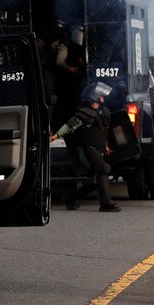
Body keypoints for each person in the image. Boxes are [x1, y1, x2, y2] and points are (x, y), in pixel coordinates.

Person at [50, 81, 122, 212]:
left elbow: (104, 130)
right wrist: (57, 135)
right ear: (95, 96)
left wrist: (106, 146)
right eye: (101, 95)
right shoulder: (85, 114)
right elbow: (70, 126)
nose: (103, 98)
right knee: (103, 169)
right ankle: (106, 203)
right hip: (87, 149)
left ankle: (69, 197)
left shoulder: (104, 112)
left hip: (99, 149)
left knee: (93, 181)